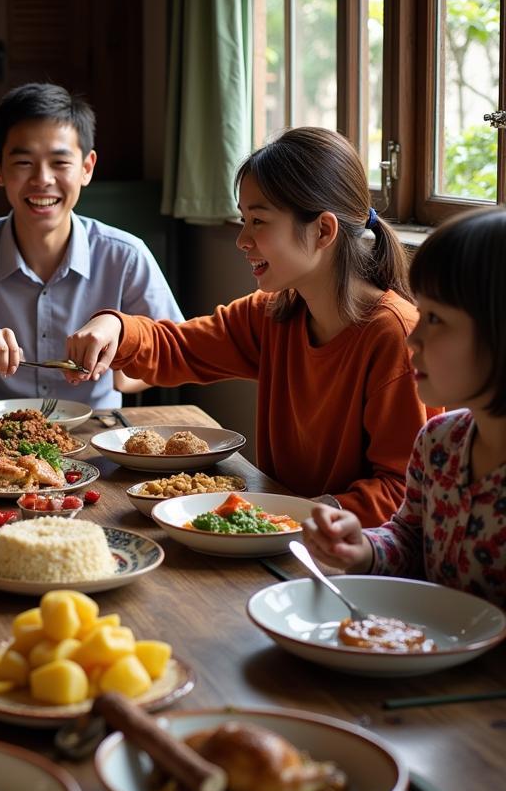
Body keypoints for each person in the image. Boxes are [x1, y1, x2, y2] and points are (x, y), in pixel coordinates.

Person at [65, 126, 436, 528]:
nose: (242, 239)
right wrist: (114, 327)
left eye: (258, 221)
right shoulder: (275, 314)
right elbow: (179, 348)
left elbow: (404, 491)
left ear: (324, 230)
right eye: (244, 219)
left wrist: (290, 516)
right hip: (286, 538)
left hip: (355, 565)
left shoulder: (396, 336)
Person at [0, 82, 182, 409]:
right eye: (24, 162)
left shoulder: (126, 255)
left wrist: (123, 353)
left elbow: (173, 359)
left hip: (97, 438)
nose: (42, 179)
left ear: (87, 168)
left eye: (60, 163)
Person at [304, 209, 506, 606]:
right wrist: (362, 547)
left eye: (436, 319)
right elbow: (410, 538)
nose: (413, 339)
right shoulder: (440, 442)